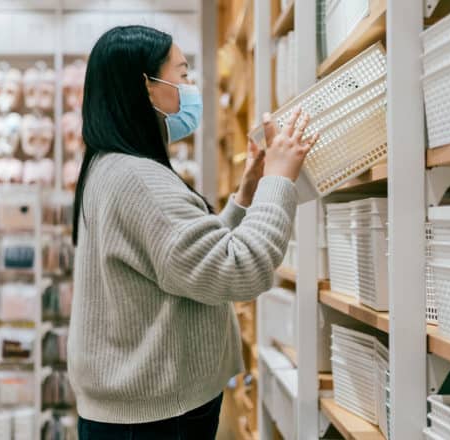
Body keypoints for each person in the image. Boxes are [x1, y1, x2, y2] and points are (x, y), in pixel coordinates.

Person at [68, 25, 317, 440]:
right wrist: (279, 179)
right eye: (182, 75)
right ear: (147, 86)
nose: (190, 87)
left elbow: (180, 261)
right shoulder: (139, 179)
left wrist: (246, 194)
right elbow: (240, 269)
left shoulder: (111, 166)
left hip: (137, 412)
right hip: (153, 421)